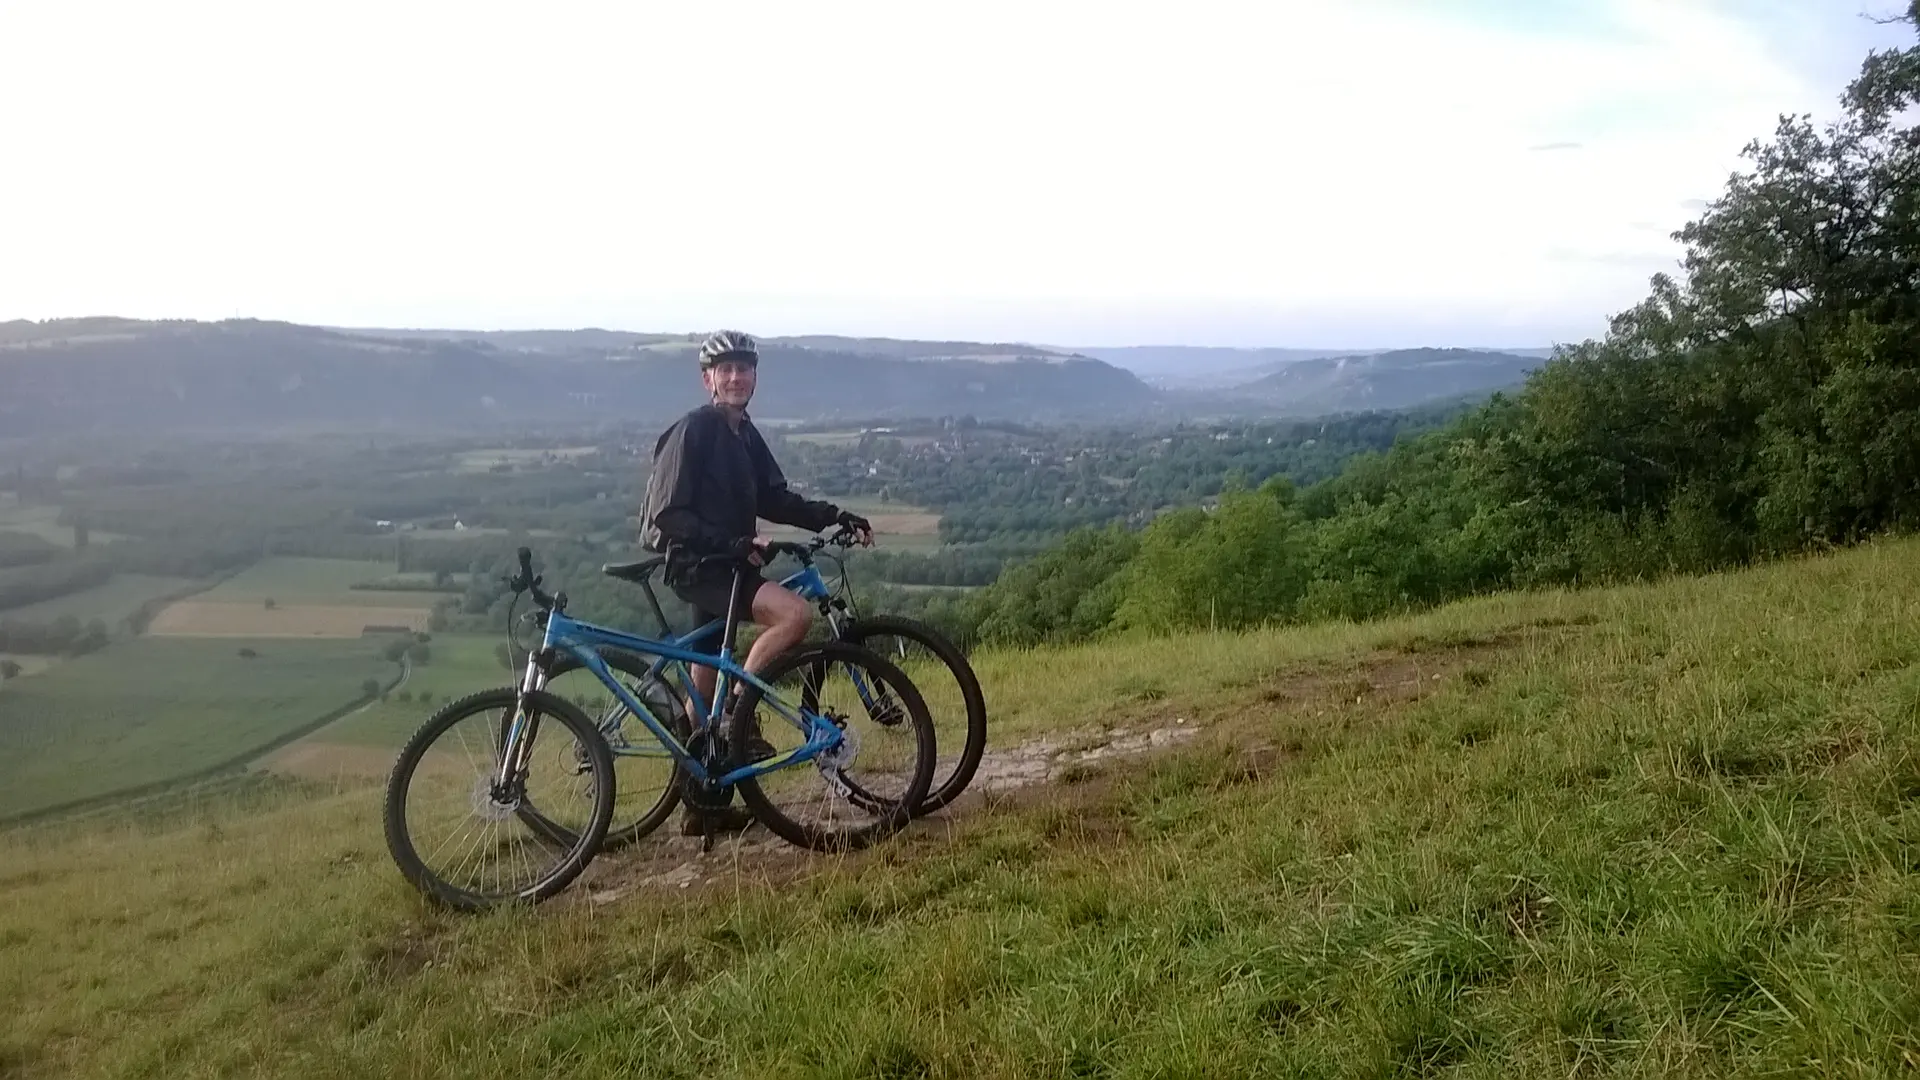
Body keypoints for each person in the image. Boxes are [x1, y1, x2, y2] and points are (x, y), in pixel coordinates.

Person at [640, 329, 873, 833]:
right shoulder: (695, 430)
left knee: (703, 688)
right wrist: (731, 545)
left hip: (725, 566)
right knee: (794, 614)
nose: (736, 376)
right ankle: (740, 723)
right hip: (701, 568)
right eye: (725, 369)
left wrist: (835, 515)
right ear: (708, 380)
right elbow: (667, 515)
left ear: (754, 377)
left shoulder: (743, 432)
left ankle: (703, 803)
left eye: (744, 368)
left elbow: (776, 498)